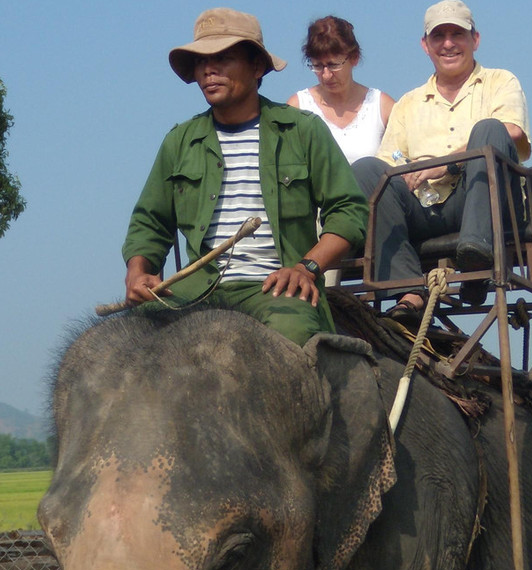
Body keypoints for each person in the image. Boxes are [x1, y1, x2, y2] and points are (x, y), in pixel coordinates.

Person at [121, 8, 368, 346]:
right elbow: (149, 222)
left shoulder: (302, 130)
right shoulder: (180, 142)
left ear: (256, 67)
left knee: (291, 340)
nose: (209, 70)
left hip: (277, 289)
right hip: (197, 290)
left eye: (224, 58)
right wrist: (138, 272)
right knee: (129, 339)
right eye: (201, 61)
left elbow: (349, 211)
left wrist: (306, 268)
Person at [352, 0, 530, 311]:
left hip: (488, 200)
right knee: (368, 170)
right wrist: (407, 174)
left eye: (457, 34)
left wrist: (442, 164)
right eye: (439, 36)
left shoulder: (500, 81)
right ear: (426, 45)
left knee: (488, 130)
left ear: (475, 39)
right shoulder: (409, 103)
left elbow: (511, 131)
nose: (448, 44)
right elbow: (390, 164)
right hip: (428, 206)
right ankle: (407, 291)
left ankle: (476, 254)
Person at [286, 16, 396, 164]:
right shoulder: (297, 107)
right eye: (318, 66)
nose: (326, 75)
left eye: (333, 65)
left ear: (354, 58)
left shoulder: (382, 107)